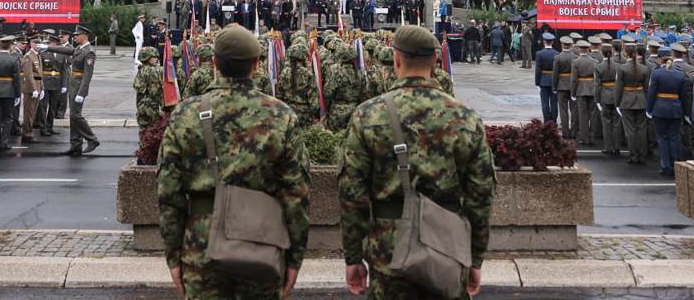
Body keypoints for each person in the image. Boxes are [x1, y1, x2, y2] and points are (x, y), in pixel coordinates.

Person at [338, 24, 496, 299]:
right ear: (436, 61)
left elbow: (352, 194)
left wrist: (353, 257)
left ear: (396, 59)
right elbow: (481, 195)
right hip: (447, 246)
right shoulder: (465, 118)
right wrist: (475, 257)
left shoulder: (368, 114)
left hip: (389, 247)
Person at [156, 24, 309, 299]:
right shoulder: (280, 114)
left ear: (214, 63)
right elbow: (296, 193)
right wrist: (295, 257)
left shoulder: (186, 113)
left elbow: (169, 192)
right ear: (256, 64)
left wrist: (173, 255)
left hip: (201, 244)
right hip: (261, 240)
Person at [647, 48, 690, 177]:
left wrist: (649, 109)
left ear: (660, 59)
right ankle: (676, 164)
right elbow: (684, 96)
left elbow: (651, 93)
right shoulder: (680, 73)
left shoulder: (657, 73)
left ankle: (666, 165)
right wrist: (684, 110)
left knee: (662, 138)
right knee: (675, 137)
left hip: (660, 108)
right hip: (676, 108)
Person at [64, 26, 100, 157]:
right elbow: (67, 51)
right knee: (73, 117)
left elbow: (87, 75)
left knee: (75, 115)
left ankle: (92, 139)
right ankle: (75, 145)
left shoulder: (89, 52)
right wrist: (47, 48)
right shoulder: (79, 49)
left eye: (76, 35)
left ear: (84, 36)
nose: (74, 37)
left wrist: (81, 93)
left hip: (79, 87)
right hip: (73, 85)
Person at [614, 40, 650, 165]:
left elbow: (618, 88)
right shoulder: (644, 68)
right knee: (641, 129)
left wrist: (617, 103)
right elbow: (646, 89)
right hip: (641, 100)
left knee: (630, 130)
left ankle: (634, 154)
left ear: (625, 52)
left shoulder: (622, 68)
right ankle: (641, 154)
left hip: (627, 100)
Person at [0, 36, 21, 154]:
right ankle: (4, 142)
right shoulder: (13, 60)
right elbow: (16, 80)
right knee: (8, 118)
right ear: (10, 46)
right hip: (9, 90)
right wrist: (18, 94)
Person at [594, 42, 620, 155]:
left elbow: (597, 85)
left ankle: (608, 146)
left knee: (606, 123)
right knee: (616, 123)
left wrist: (597, 100)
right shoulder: (618, 66)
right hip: (615, 95)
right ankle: (617, 146)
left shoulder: (598, 67)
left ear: (602, 53)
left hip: (604, 96)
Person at [133, 46, 163, 138]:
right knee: (153, 132)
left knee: (143, 131)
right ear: (147, 58)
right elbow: (155, 92)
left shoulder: (141, 69)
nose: (156, 59)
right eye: (153, 57)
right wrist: (162, 108)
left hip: (141, 106)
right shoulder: (152, 71)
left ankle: (142, 149)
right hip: (152, 107)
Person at [19, 37, 43, 144]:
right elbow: (28, 75)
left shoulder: (37, 56)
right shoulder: (28, 56)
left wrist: (42, 88)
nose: (38, 45)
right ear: (31, 44)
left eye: (39, 43)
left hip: (37, 86)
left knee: (33, 112)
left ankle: (29, 132)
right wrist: (33, 89)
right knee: (29, 112)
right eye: (36, 43)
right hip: (30, 87)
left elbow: (40, 74)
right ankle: (27, 134)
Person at [553, 36, 576, 139]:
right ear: (571, 45)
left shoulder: (558, 57)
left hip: (561, 85)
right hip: (573, 86)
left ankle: (566, 132)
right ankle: (574, 132)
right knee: (574, 110)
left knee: (563, 110)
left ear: (562, 45)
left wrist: (554, 86)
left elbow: (555, 74)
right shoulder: (575, 57)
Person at [534, 32, 557, 123]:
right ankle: (554, 120)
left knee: (545, 102)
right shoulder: (557, 53)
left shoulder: (539, 54)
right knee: (554, 102)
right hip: (554, 80)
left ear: (544, 42)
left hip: (543, 80)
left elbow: (538, 69)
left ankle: (547, 121)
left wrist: (537, 83)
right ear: (552, 42)